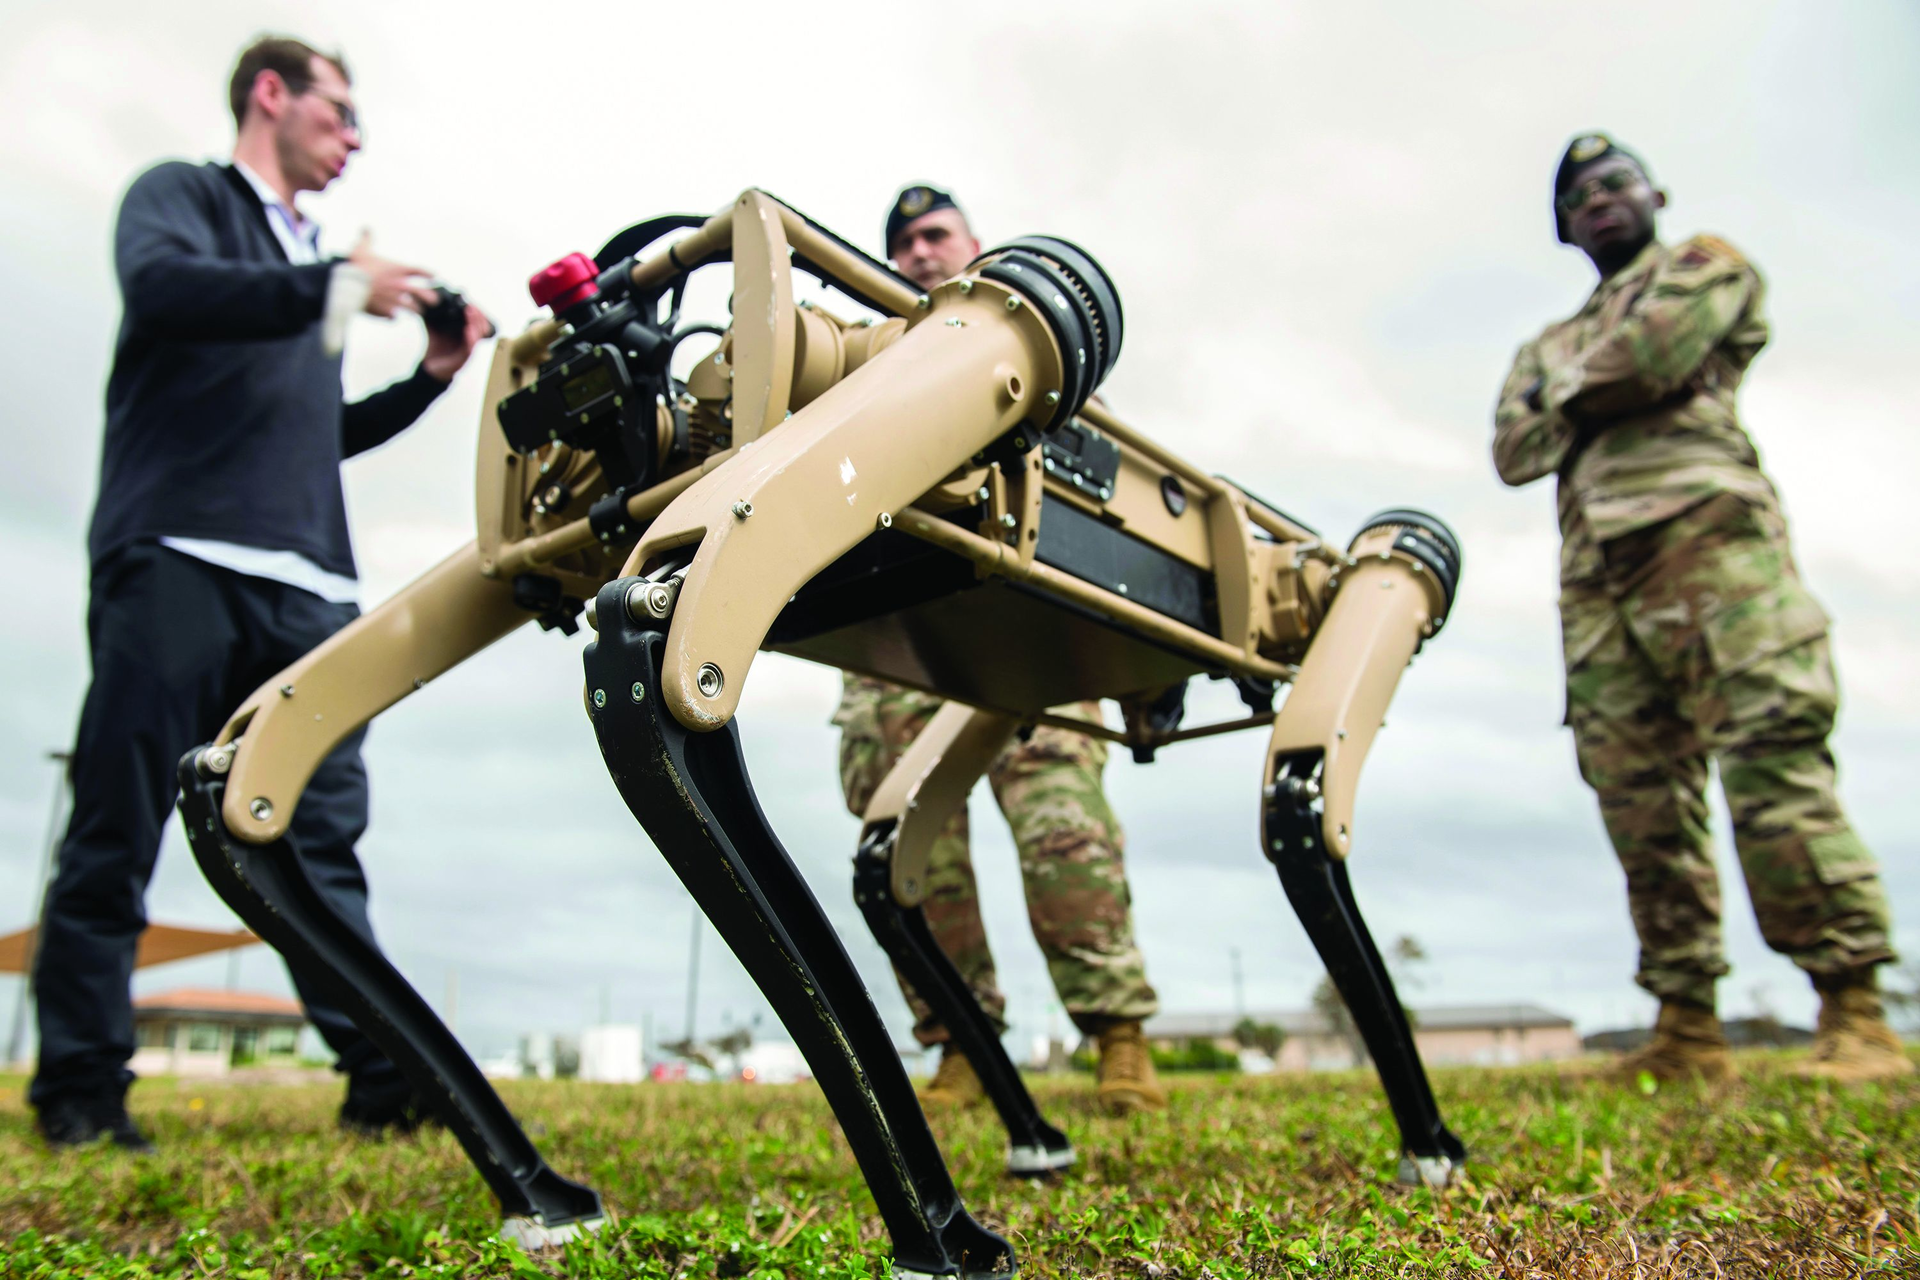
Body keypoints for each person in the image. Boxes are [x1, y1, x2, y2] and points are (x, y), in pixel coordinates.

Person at [32, 35, 493, 1149]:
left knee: (318, 841)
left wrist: (431, 377)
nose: (356, 137)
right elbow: (162, 288)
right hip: (178, 559)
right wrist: (334, 281)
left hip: (307, 588)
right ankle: (83, 1088)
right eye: (339, 111)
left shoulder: (305, 267)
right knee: (119, 821)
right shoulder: (182, 201)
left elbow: (313, 436)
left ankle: (382, 1080)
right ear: (270, 95)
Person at [1493, 134, 1908, 1084]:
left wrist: (1570, 392)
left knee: (1772, 753)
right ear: (1561, 228)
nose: (1598, 200)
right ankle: (1686, 1026)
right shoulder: (1543, 341)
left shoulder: (1702, 264)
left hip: (1710, 545)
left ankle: (1854, 1009)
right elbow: (1514, 451)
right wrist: (1587, 384)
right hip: (1596, 580)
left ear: (1655, 194)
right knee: (1638, 795)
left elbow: (1653, 354)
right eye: (1578, 196)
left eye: (1615, 184)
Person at [831, 184, 1164, 1116]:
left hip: (1028, 625)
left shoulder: (1045, 355)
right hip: (896, 625)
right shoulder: (867, 365)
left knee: (1066, 832)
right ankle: (960, 1046)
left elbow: (1110, 498)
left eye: (936, 235)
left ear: (975, 245)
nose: (919, 252)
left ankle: (1119, 1040)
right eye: (903, 244)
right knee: (908, 845)